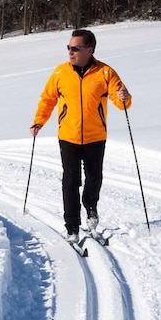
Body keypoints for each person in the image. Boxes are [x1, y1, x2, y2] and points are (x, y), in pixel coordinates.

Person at [30, 29, 131, 243]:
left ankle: (91, 207)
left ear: (89, 50)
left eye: (75, 48)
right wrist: (39, 121)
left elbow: (120, 99)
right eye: (69, 47)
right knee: (70, 181)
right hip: (68, 136)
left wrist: (124, 96)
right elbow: (47, 99)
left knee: (94, 179)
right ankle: (72, 226)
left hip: (96, 137)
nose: (70, 52)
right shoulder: (60, 73)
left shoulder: (105, 73)